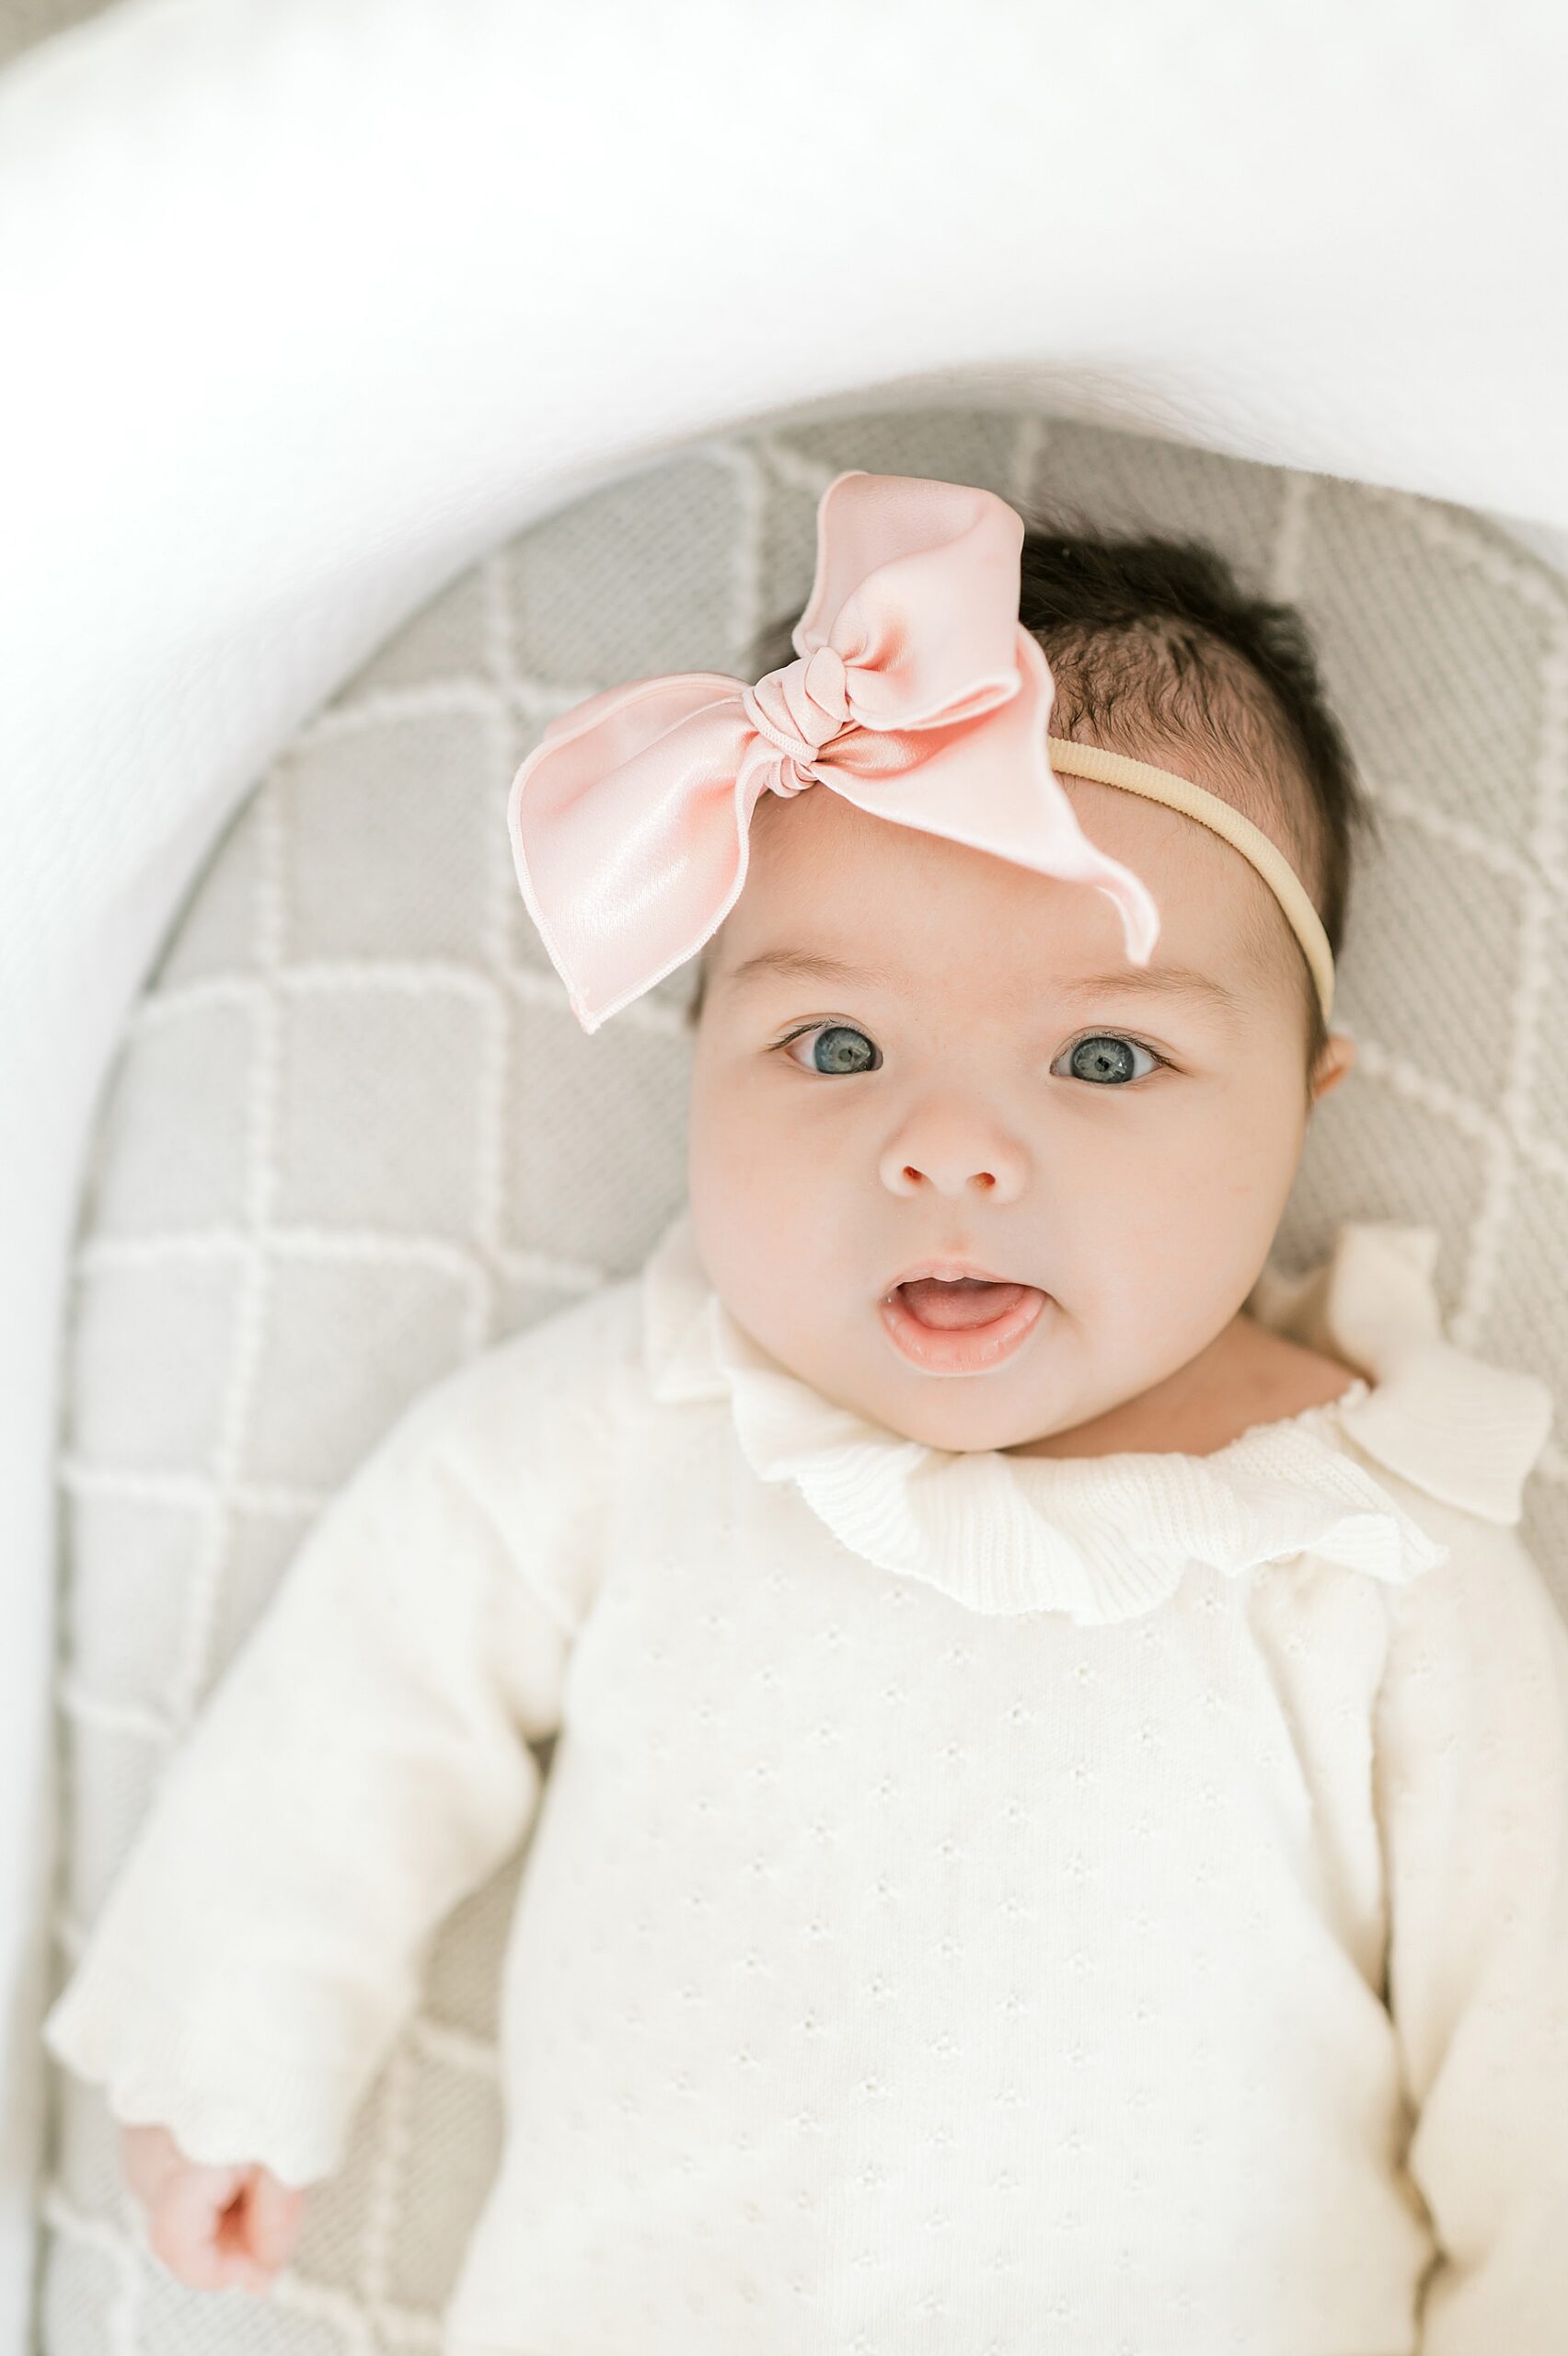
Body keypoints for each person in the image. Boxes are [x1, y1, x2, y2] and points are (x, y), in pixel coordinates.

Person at [43, 471, 1568, 2353]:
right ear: (700, 1053)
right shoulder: (658, 1413)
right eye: (832, 1045)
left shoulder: (1377, 1533)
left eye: (1108, 1054)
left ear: (1305, 1096)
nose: (945, 1149)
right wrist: (238, 2021)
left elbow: (1539, 2056)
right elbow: (378, 1666)